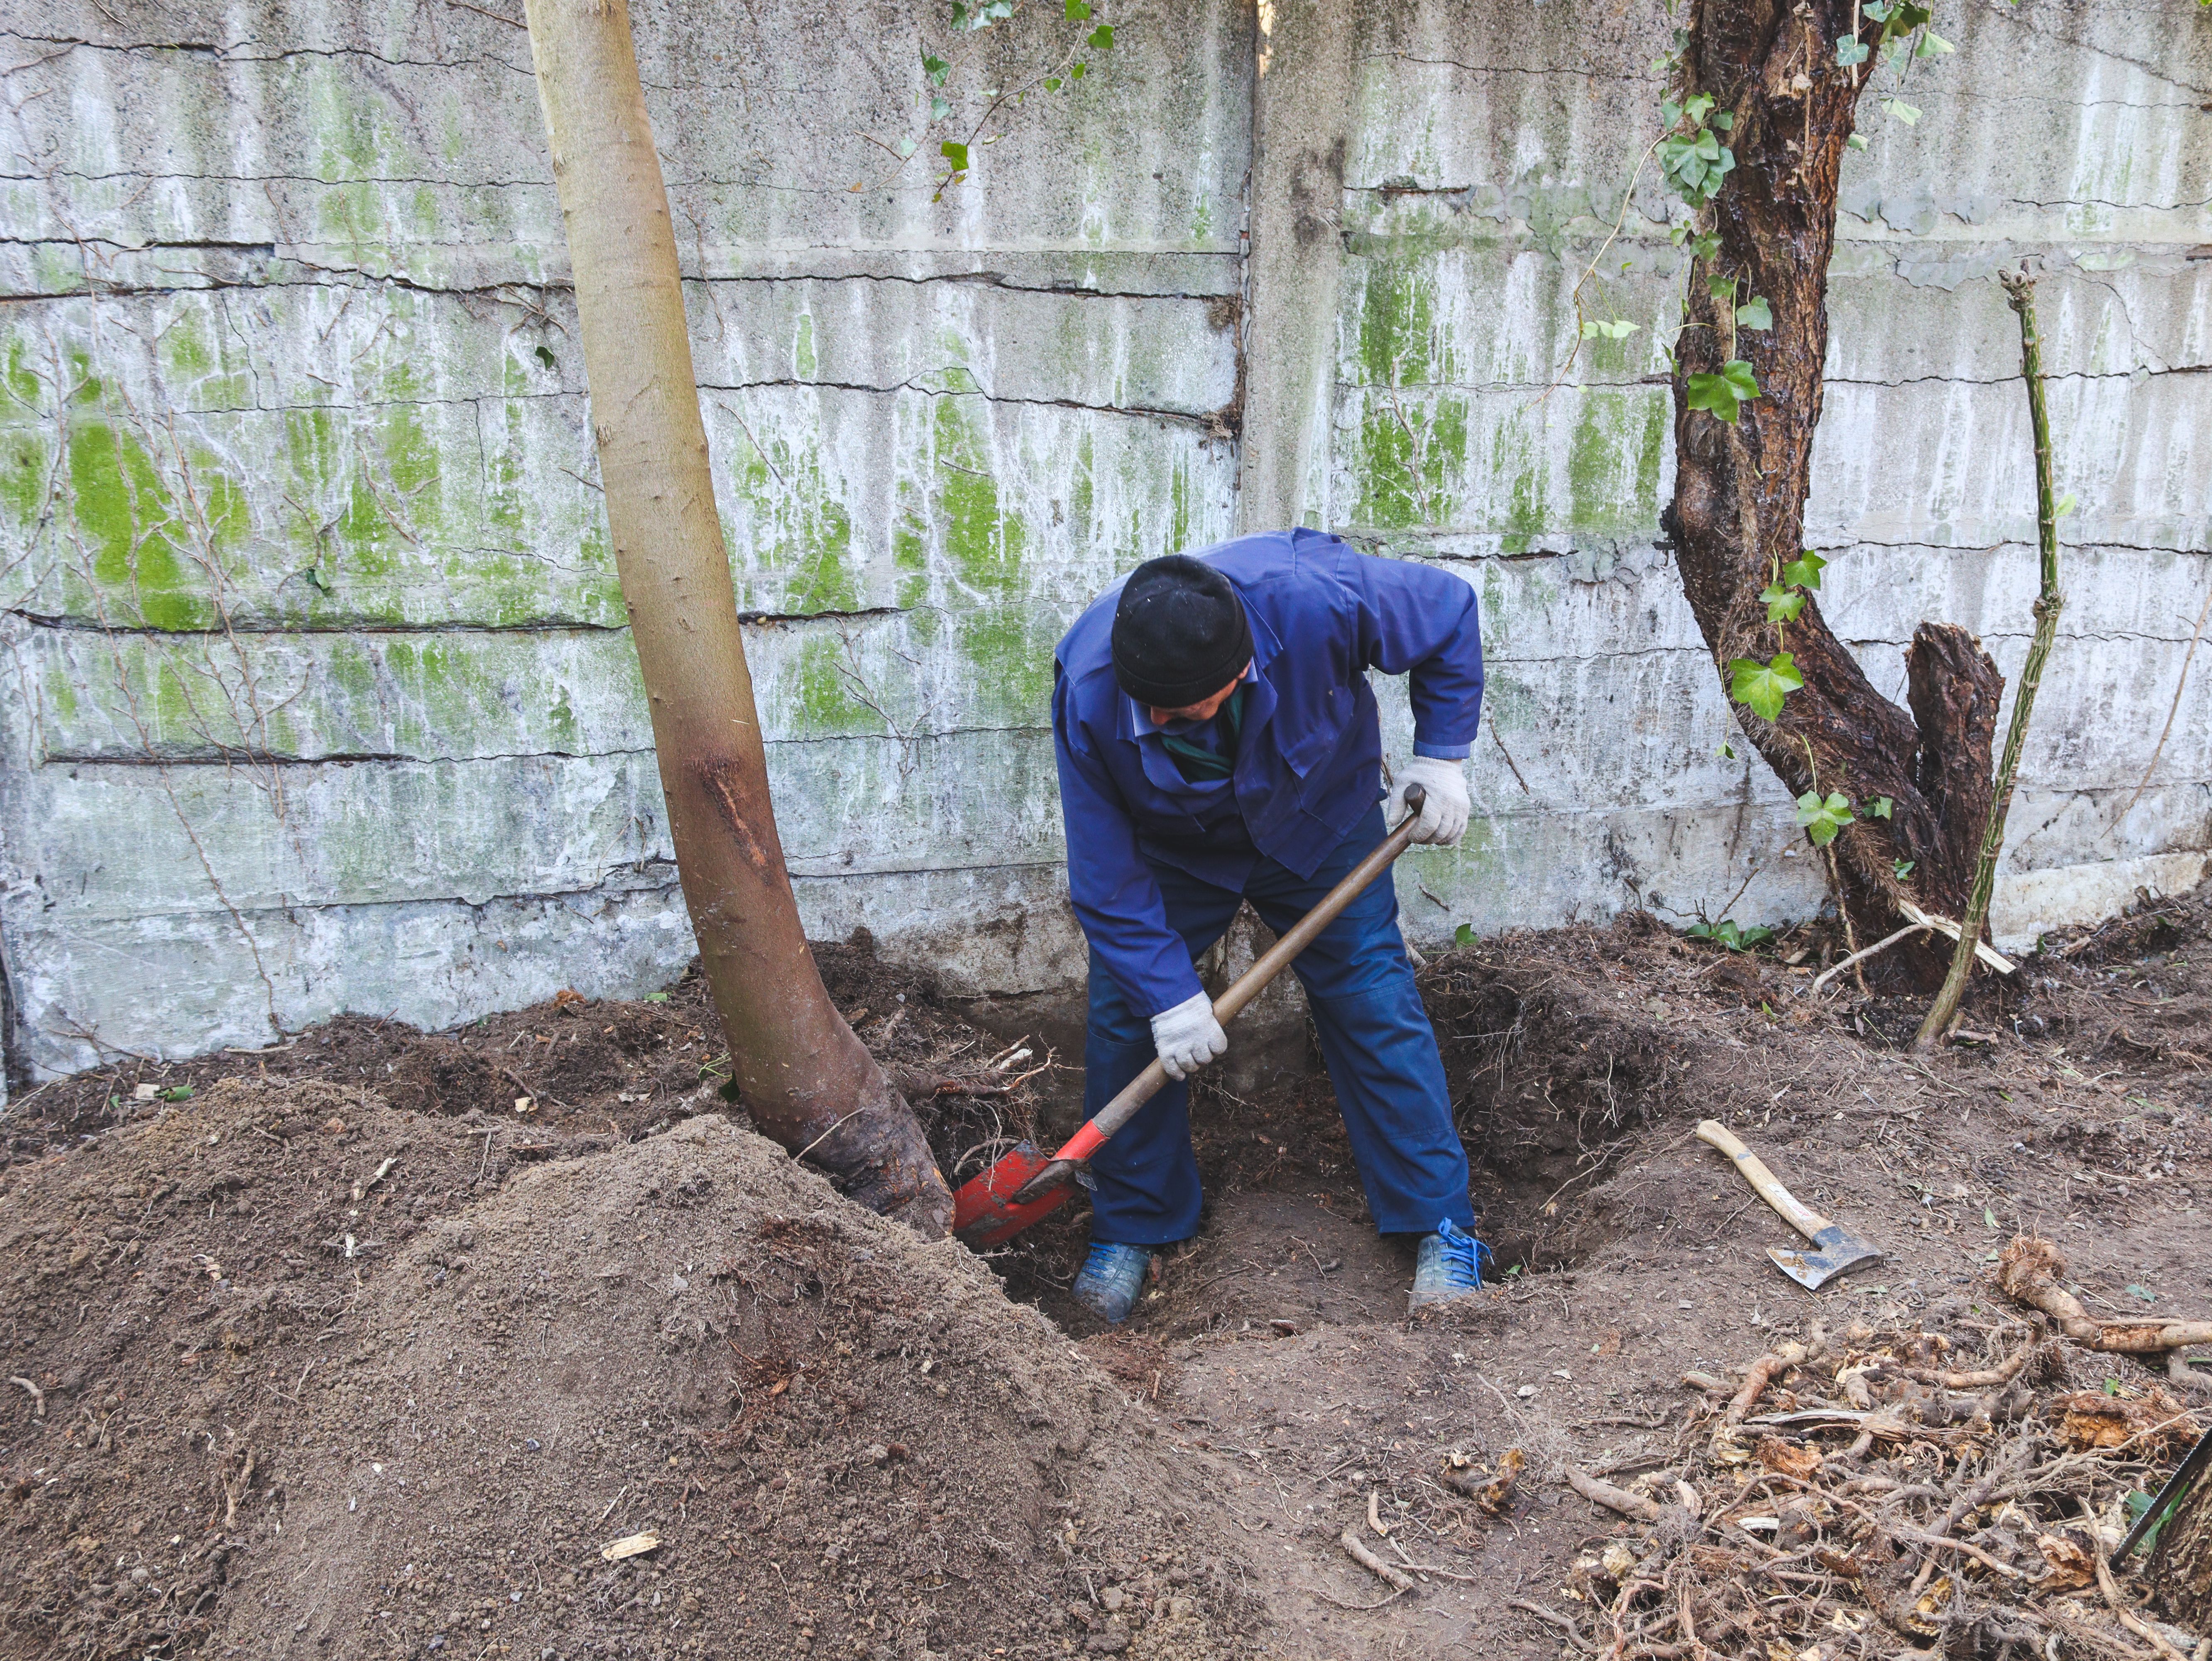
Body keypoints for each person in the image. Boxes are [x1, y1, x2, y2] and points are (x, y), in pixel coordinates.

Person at [1051, 526, 1493, 1323]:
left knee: (1372, 997)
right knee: (1128, 1011)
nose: (1169, 719)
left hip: (1315, 820)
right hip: (1179, 847)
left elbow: (1450, 612)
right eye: (1156, 711)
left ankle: (1441, 1223)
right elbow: (1105, 875)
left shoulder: (1311, 596)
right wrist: (1168, 998)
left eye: (1191, 710)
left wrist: (1443, 754)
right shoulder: (1089, 686)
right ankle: (1132, 1224)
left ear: (1243, 666)